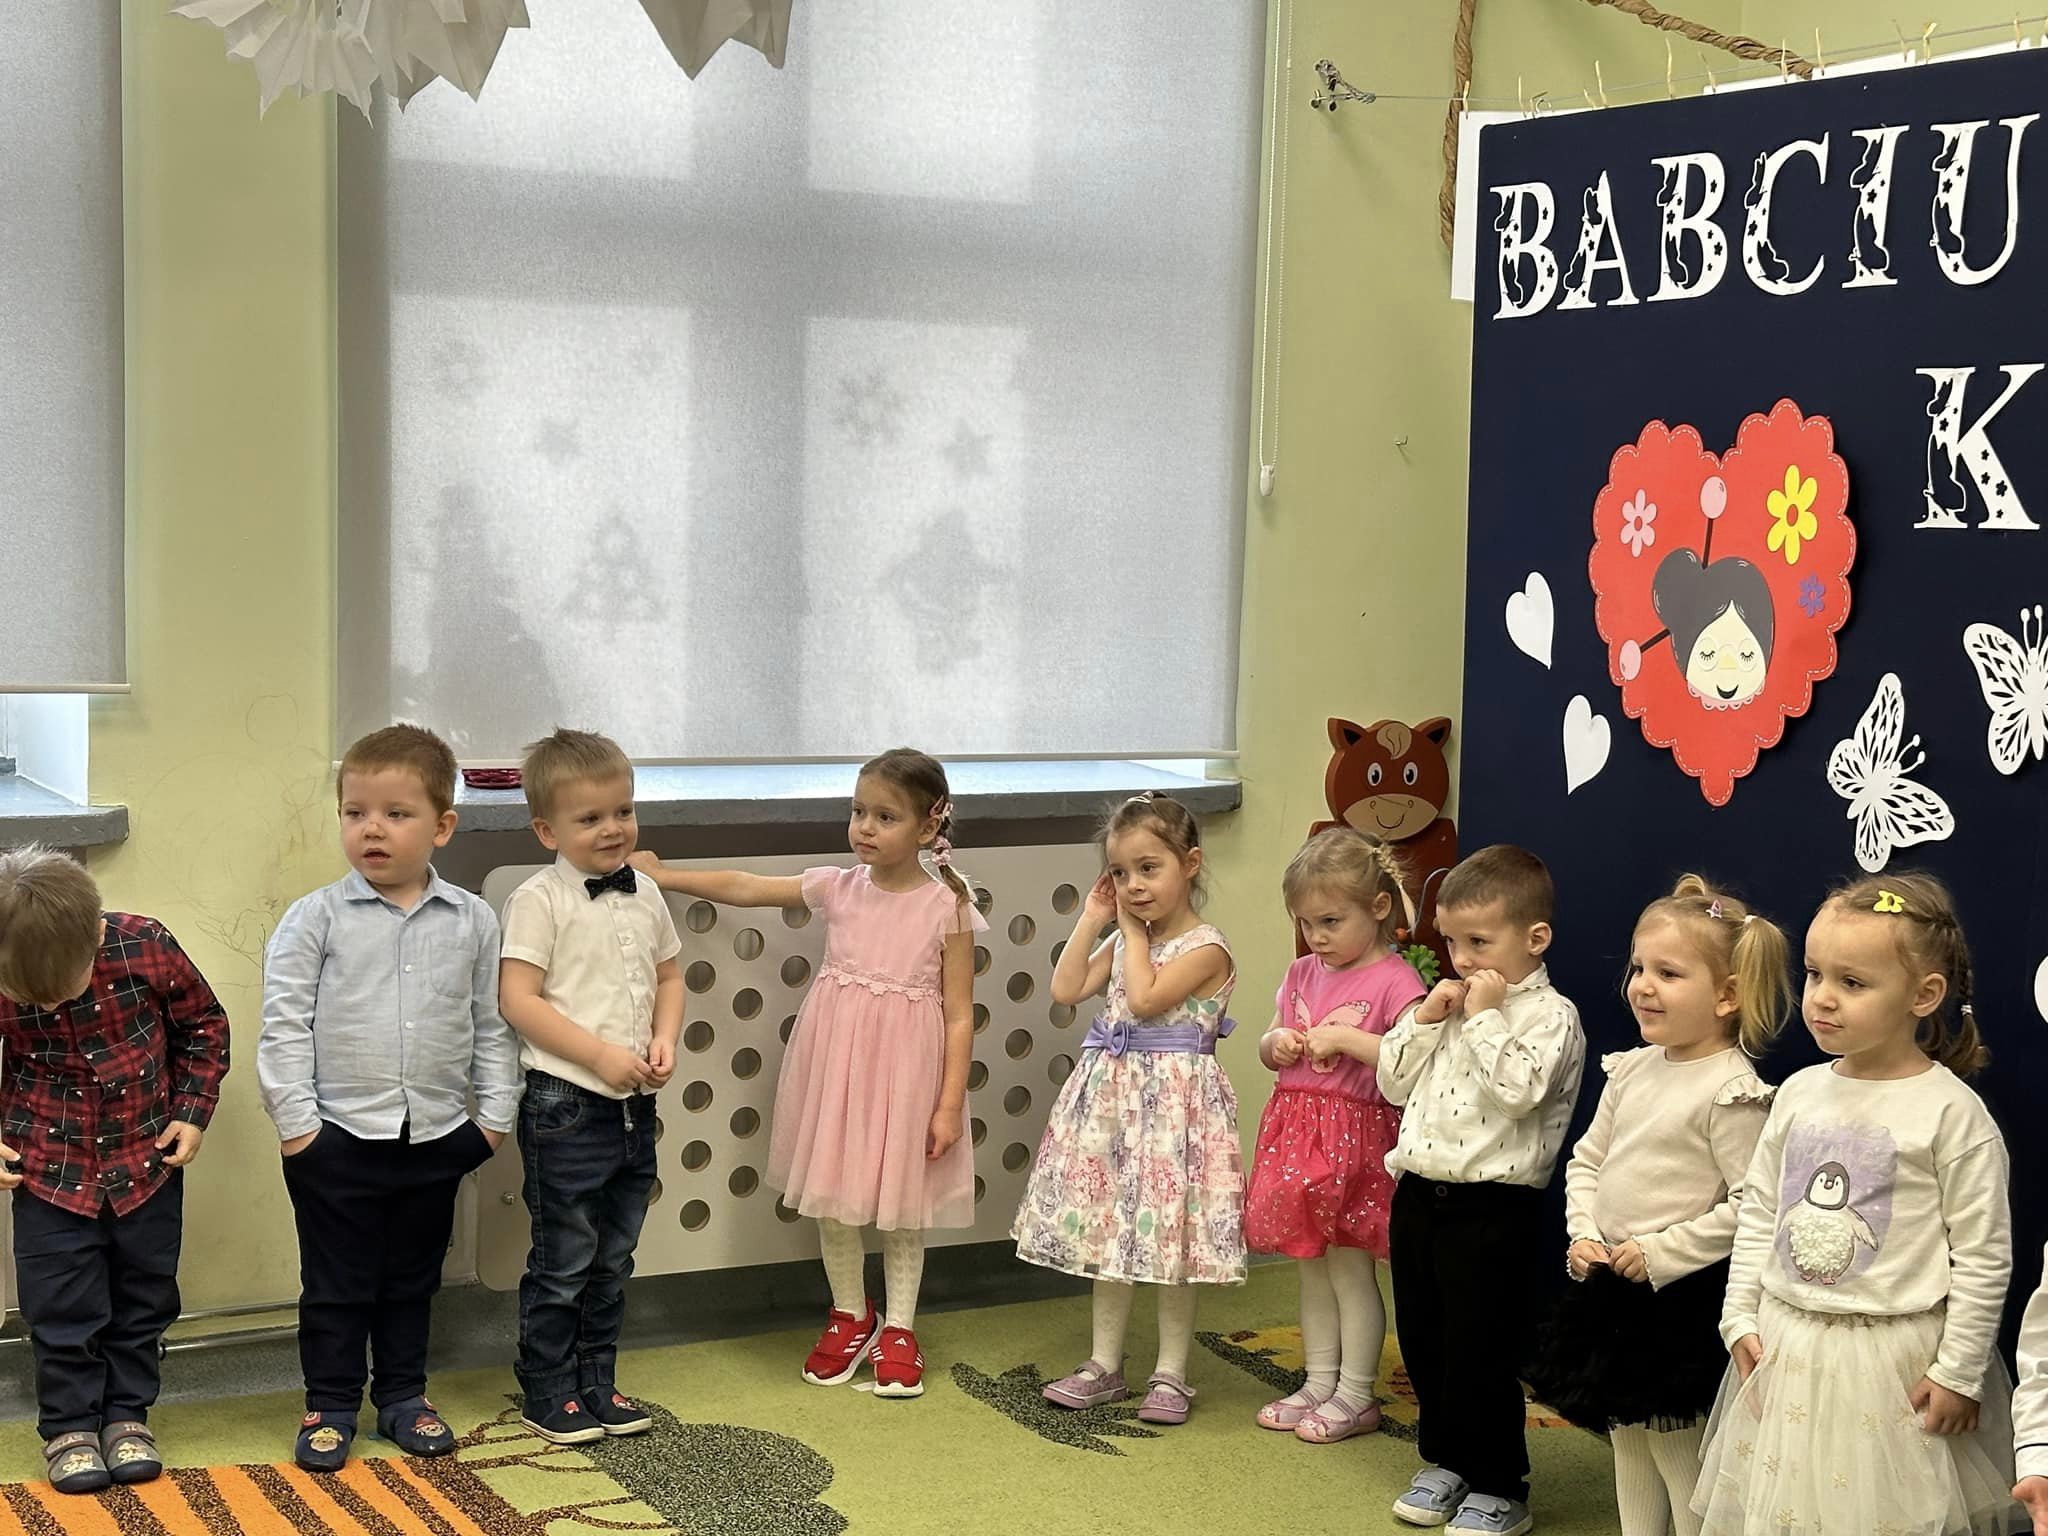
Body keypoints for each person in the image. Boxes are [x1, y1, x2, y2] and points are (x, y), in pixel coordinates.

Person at [632, 748, 978, 1400]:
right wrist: (664, 875)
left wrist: (948, 1105)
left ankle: (900, 1328)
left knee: (901, 1206)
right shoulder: (838, 886)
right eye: (858, 811)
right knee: (833, 1195)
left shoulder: (947, 907)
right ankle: (851, 1314)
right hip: (836, 1072)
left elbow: (959, 1015)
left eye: (886, 817)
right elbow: (747, 886)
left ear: (929, 826)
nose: (865, 827)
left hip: (907, 1079)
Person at [1694, 872, 2020, 1535]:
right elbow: (1760, 1212)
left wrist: (1958, 1372)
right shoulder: (1798, 1092)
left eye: (1853, 982)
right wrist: (1739, 1315)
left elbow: (1983, 1256)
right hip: (1789, 1346)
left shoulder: (1952, 1115)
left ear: (1924, 994)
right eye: (1815, 974)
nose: (1822, 997)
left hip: (1894, 1363)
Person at [261, 724, 522, 1471]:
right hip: (334, 1138)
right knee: (336, 1285)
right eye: (355, 812)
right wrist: (299, 1129)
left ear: (443, 825)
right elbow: (284, 1026)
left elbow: (492, 1024)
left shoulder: (473, 919)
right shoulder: (313, 918)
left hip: (436, 1136)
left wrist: (491, 1121)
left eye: (396, 813)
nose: (371, 828)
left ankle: (405, 1395)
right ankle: (331, 1404)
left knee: (413, 1279)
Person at [1526, 875, 1789, 1535]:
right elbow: (1588, 1161)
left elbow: (1753, 1206)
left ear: (1727, 995)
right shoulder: (1634, 1068)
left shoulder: (1732, 1091)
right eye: (1639, 967)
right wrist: (1583, 1234)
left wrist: (1663, 1251)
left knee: (1673, 1444)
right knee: (1626, 1436)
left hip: (1676, 1298)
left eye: (1668, 973)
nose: (1643, 985)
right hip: (1611, 1284)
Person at [0, 846, 229, 1494]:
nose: (48, 1004)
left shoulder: (145, 946)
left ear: (97, 937)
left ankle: (128, 1415)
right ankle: (70, 1426)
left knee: (144, 1299)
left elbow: (204, 1027)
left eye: (60, 990)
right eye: (30, 997)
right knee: (61, 1309)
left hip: (146, 1166)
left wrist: (192, 1112)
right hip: (48, 1173)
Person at [1014, 792, 1242, 1428]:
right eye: (1119, 873)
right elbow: (1065, 989)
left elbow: (1143, 1001)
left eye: (1148, 869)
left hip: (1175, 1111)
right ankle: (1103, 1364)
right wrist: (1094, 919)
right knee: (1110, 1229)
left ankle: (1170, 1371)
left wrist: (1131, 934)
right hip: (1114, 1103)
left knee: (1169, 1238)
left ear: (1190, 864)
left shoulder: (1207, 948)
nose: (1133, 886)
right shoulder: (1125, 936)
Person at [1377, 844, 1585, 1536]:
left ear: (1535, 938)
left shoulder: (1551, 1016)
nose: (1462, 960)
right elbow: (1392, 1083)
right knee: (1425, 1339)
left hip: (1492, 1208)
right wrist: (1425, 1019)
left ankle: (1500, 1483)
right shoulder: (1451, 1005)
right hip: (1419, 1193)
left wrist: (1487, 1016)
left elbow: (1520, 1093)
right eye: (1451, 942)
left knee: (1481, 1348)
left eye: (1479, 942)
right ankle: (1447, 1460)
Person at [499, 729, 684, 1442]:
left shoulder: (645, 893)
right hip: (566, 1105)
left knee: (614, 1257)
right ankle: (548, 1389)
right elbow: (519, 1001)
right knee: (565, 1260)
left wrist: (663, 1037)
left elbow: (670, 976)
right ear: (547, 830)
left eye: (623, 812)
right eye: (590, 818)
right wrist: (601, 1056)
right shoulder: (538, 900)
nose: (613, 828)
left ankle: (597, 1381)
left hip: (635, 1105)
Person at [1245, 828, 1426, 1444]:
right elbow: (1270, 1039)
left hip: (1356, 1140)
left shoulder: (1397, 980)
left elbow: (1410, 1059)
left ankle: (1356, 1392)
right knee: (1311, 1267)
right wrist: (1276, 1043)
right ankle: (1319, 1381)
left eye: (1330, 921)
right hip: (1298, 1136)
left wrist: (1346, 1038)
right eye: (1305, 923)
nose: (1316, 936)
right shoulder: (1302, 971)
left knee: (1350, 1268)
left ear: (1378, 908)